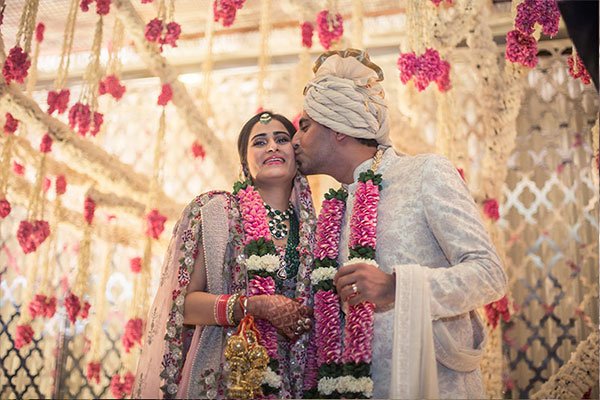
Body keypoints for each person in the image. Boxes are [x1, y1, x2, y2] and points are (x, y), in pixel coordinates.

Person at [292, 49, 508, 398]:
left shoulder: (424, 172)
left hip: (433, 384)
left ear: (339, 130)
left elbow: (489, 275)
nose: (295, 140)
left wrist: (398, 287)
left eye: (305, 126)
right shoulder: (334, 207)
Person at [133, 111, 317, 399]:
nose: (272, 147)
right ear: (245, 163)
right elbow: (184, 305)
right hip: (226, 377)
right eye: (259, 142)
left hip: (298, 379)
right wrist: (254, 306)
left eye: (281, 139)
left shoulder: (317, 229)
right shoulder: (216, 213)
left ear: (296, 156)